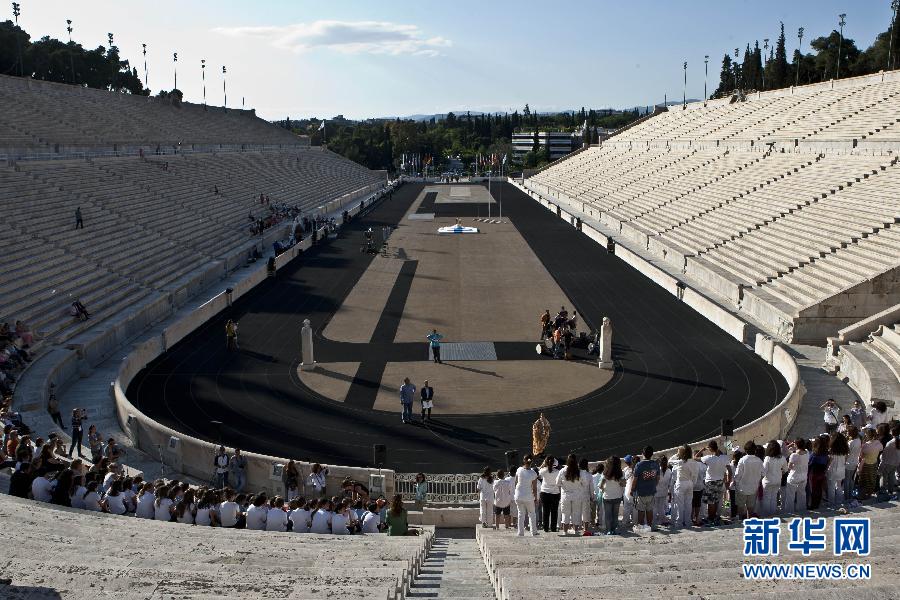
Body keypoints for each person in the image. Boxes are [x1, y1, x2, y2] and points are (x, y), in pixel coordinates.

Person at [699, 440, 728, 525]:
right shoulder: (724, 458)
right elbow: (728, 470)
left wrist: (702, 450)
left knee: (710, 502)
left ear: (710, 448)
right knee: (716, 500)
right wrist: (728, 480)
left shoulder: (708, 458)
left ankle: (711, 518)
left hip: (710, 482)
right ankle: (714, 516)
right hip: (720, 481)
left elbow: (695, 457)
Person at [669, 445, 700, 527]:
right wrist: (693, 484)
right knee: (688, 504)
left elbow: (669, 461)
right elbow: (695, 475)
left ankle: (679, 523)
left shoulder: (680, 462)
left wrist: (677, 454)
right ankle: (688, 522)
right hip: (690, 483)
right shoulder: (694, 462)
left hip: (681, 483)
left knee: (680, 504)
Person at [632, 446, 660, 532]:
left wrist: (632, 490)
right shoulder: (656, 464)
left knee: (641, 510)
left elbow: (635, 479)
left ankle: (641, 527)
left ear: (643, 454)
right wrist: (653, 485)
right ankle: (650, 526)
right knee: (649, 509)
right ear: (652, 454)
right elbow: (658, 478)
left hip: (641, 492)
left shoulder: (639, 465)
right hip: (651, 491)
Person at [733, 441, 764, 520]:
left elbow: (737, 475)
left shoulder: (742, 460)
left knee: (741, 507)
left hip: (742, 488)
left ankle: (740, 521)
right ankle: (749, 521)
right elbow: (763, 474)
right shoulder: (759, 461)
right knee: (750, 508)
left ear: (746, 450)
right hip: (753, 487)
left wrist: (735, 483)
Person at [555, 454, 584, 535]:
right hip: (577, 494)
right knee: (576, 513)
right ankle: (576, 530)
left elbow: (557, 483)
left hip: (566, 495)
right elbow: (583, 483)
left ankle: (565, 531)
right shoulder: (579, 471)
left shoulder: (562, 471)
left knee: (565, 513)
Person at [760, 440, 787, 517]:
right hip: (777, 480)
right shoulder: (782, 458)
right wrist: (779, 473)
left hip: (768, 481)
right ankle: (772, 514)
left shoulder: (768, 458)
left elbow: (764, 472)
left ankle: (766, 515)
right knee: (774, 498)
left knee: (766, 498)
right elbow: (785, 469)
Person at [514, 456, 539, 537]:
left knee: (520, 514)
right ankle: (533, 532)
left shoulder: (519, 469)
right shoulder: (533, 473)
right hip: (528, 496)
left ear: (524, 461)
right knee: (532, 514)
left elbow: (516, 482)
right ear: (531, 462)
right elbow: (534, 488)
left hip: (518, 494)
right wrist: (535, 498)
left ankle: (520, 532)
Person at [599, 457, 624, 535]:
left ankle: (609, 530)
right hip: (617, 496)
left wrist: (603, 488)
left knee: (608, 515)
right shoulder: (621, 473)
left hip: (607, 496)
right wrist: (619, 481)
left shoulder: (605, 473)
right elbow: (624, 484)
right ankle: (614, 529)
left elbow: (600, 486)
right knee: (615, 515)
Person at [784, 438, 809, 513]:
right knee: (802, 494)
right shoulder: (807, 452)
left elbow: (789, 467)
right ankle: (802, 510)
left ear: (797, 445)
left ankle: (789, 512)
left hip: (794, 476)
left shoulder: (794, 455)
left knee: (790, 496)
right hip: (803, 475)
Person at [538, 455, 560, 532]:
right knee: (554, 511)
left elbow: (538, 472)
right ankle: (553, 528)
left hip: (545, 492)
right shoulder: (558, 472)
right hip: (555, 493)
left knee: (545, 511)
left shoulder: (543, 470)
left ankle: (546, 528)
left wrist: (544, 463)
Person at [827, 432, 849, 507]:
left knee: (831, 487)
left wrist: (825, 469)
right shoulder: (845, 449)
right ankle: (839, 501)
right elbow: (846, 459)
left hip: (833, 470)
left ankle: (831, 503)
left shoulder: (831, 450)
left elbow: (829, 462)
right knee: (839, 486)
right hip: (841, 469)